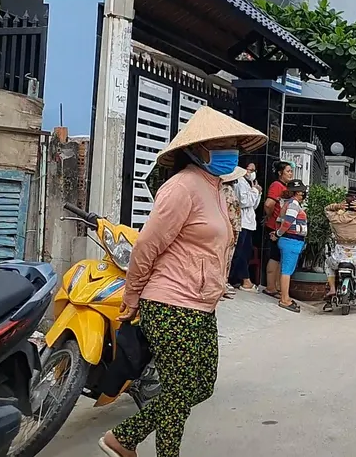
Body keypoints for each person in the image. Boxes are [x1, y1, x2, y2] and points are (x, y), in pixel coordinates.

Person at [99, 106, 265, 457]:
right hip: (171, 302)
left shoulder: (219, 188)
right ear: (198, 149)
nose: (229, 150)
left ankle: (125, 438)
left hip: (201, 304)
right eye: (221, 144)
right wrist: (131, 296)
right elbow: (147, 245)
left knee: (200, 385)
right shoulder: (182, 187)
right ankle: (146, 448)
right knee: (180, 386)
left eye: (233, 143)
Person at [272, 179, 308, 313]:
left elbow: (280, 220)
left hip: (291, 241)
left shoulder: (289, 203)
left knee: (286, 269)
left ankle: (285, 296)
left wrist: (278, 233)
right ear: (298, 192)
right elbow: (287, 222)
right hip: (291, 241)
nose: (304, 194)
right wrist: (278, 233)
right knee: (287, 271)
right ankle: (284, 299)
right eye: (303, 191)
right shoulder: (293, 204)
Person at [262, 161, 293, 299]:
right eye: (288, 171)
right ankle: (270, 287)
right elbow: (269, 204)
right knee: (275, 256)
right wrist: (270, 217)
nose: (291, 173)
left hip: (282, 227)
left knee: (280, 256)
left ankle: (277, 286)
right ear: (280, 173)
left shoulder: (285, 187)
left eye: (291, 171)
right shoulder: (276, 186)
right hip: (274, 226)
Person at [227, 162, 261, 291]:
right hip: (241, 221)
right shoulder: (240, 182)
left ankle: (239, 279)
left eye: (253, 170)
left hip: (249, 223)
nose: (251, 172)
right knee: (238, 252)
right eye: (249, 169)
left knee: (245, 252)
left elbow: (254, 205)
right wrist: (255, 191)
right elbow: (244, 202)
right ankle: (232, 278)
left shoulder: (250, 183)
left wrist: (257, 192)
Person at [219, 166, 246, 300]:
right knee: (226, 258)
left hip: (229, 226)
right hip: (230, 227)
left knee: (226, 257)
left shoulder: (223, 190)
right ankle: (221, 285)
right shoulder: (227, 191)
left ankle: (222, 284)